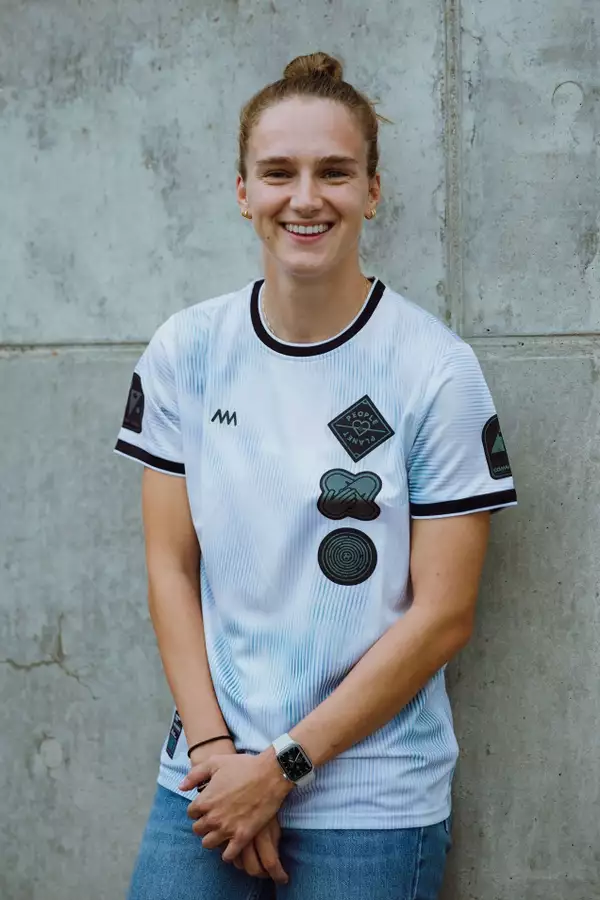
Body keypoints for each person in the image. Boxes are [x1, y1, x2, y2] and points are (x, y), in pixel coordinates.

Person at [115, 51, 517, 900]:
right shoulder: (187, 351)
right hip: (208, 782)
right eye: (278, 173)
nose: (305, 197)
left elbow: (444, 615)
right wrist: (221, 756)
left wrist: (285, 769)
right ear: (242, 192)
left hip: (369, 799)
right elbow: (169, 565)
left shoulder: (433, 370)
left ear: (372, 191)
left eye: (334, 172)